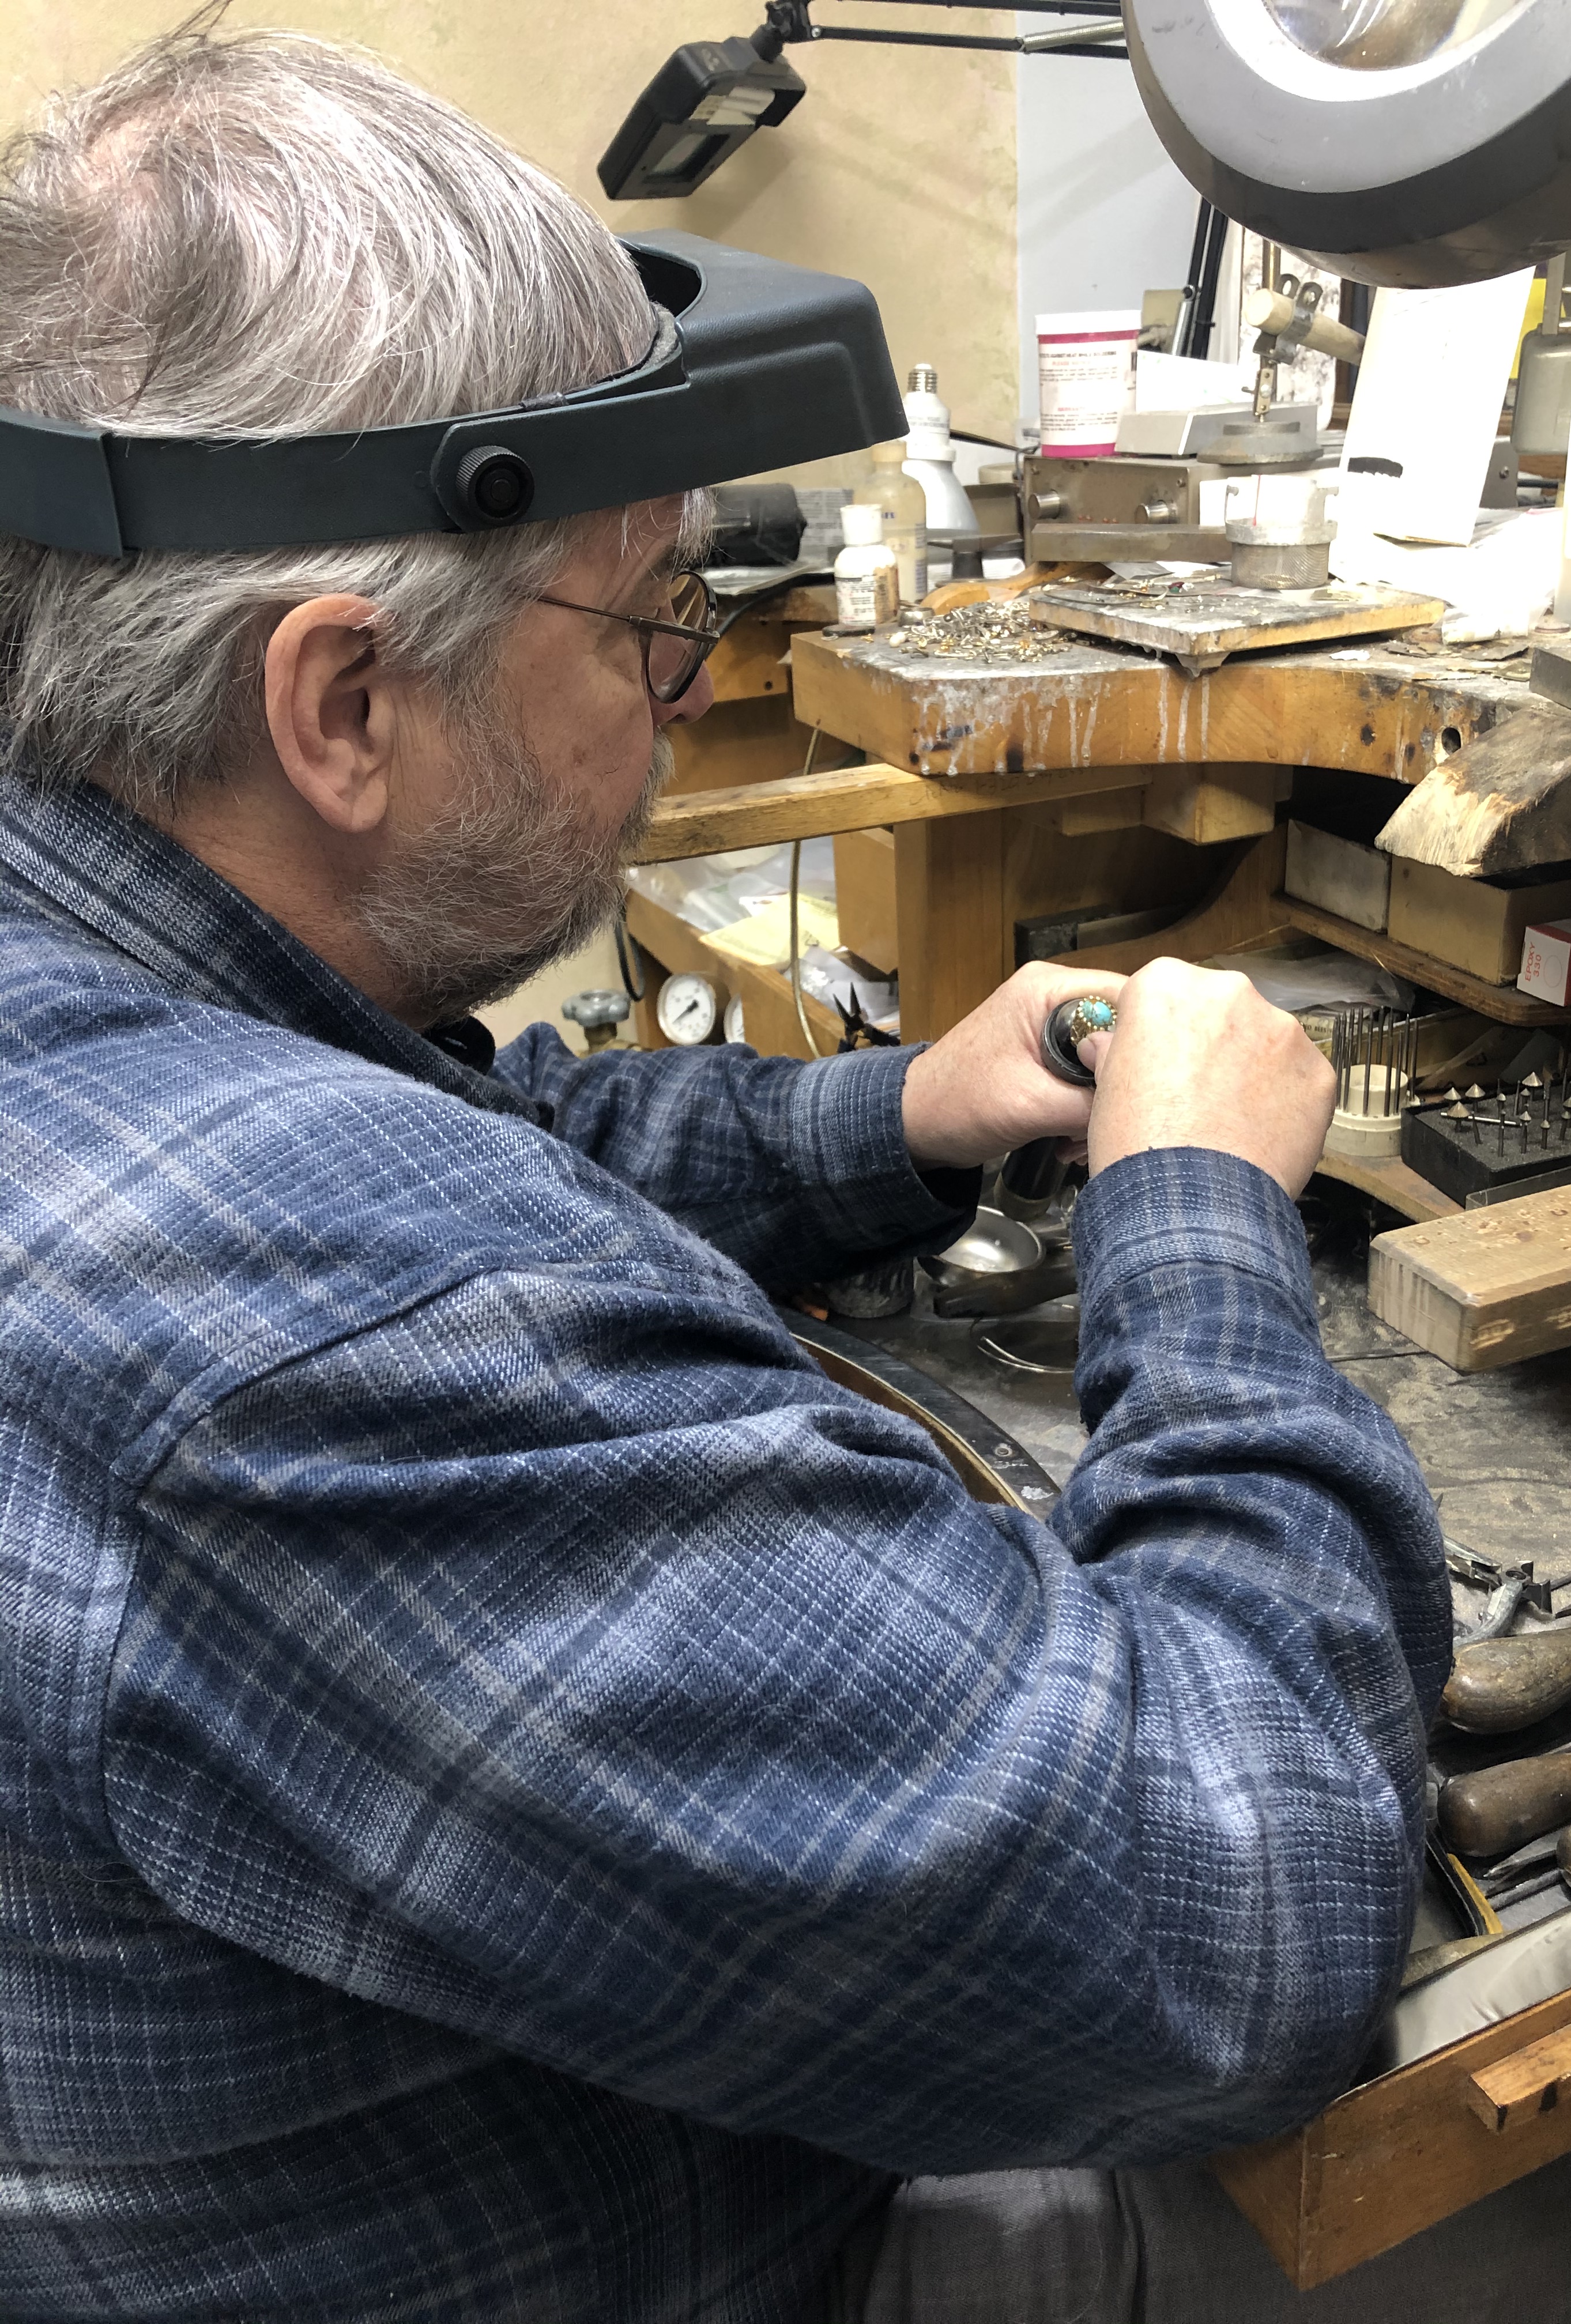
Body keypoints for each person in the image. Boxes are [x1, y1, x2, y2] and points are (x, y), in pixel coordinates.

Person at [0, 27, 1465, 2323]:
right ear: (342, 705)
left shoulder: (107, 982)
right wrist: (1202, 1218)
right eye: (657, 624)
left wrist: (880, 1118)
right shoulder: (308, 1340)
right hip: (701, 2257)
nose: (689, 689)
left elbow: (429, 1138)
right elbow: (1243, 1921)